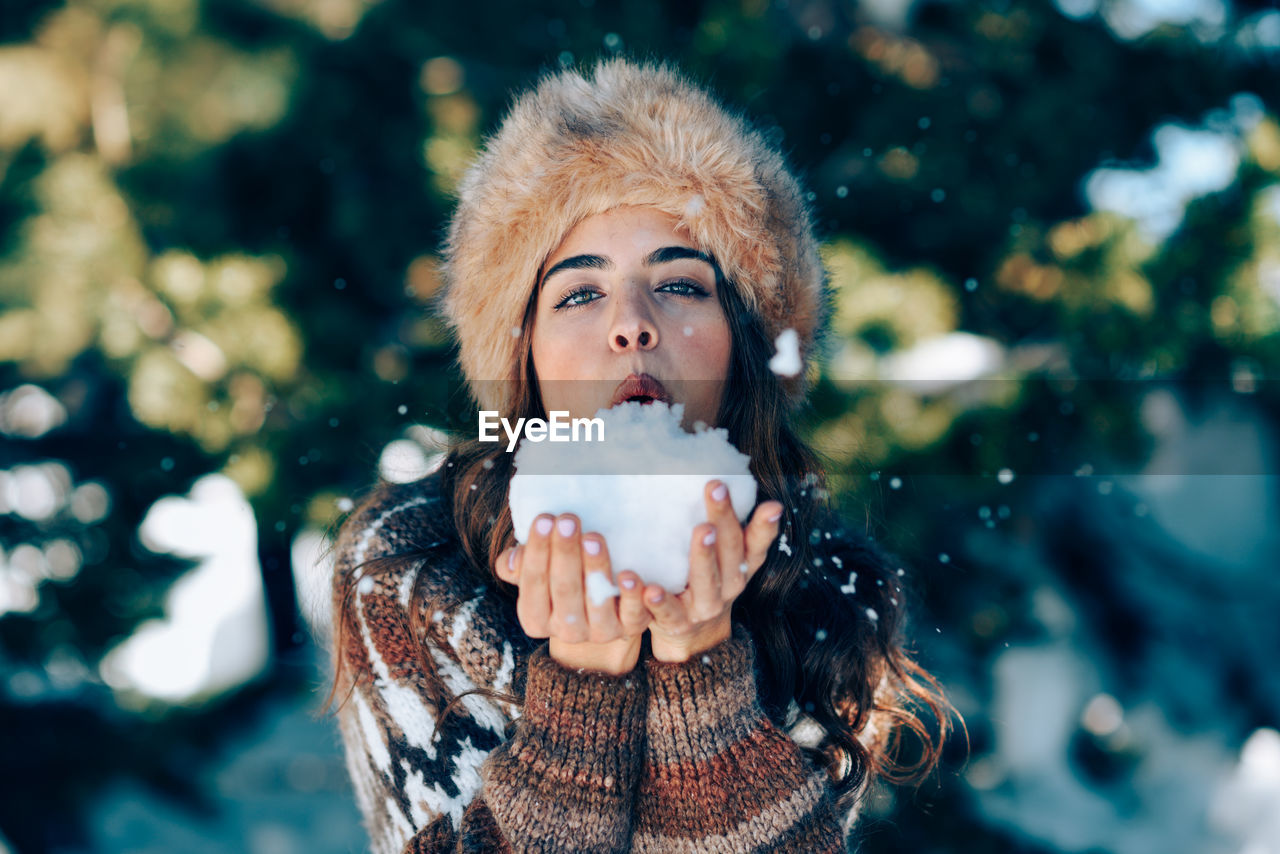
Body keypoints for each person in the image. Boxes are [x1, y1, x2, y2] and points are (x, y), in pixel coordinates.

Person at [323, 57, 954, 853]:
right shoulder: (408, 567)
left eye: (683, 285)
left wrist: (702, 678)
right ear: (527, 359)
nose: (631, 324)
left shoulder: (829, 601)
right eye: (579, 294)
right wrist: (581, 704)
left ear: (744, 349)